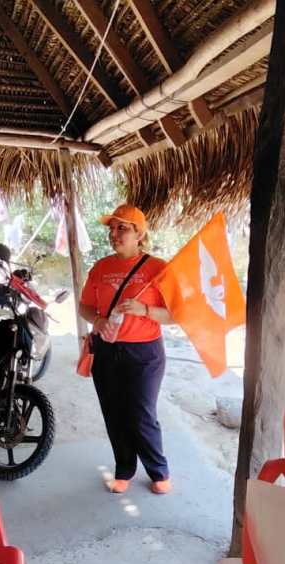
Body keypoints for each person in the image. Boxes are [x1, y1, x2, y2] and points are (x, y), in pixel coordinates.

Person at [79, 204, 175, 495]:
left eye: (122, 228)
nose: (114, 233)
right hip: (107, 352)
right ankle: (124, 469)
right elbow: (84, 306)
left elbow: (174, 315)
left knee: (141, 412)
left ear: (139, 234)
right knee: (114, 412)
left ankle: (158, 470)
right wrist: (98, 319)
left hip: (145, 353)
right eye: (111, 228)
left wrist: (144, 309)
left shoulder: (158, 269)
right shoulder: (101, 268)